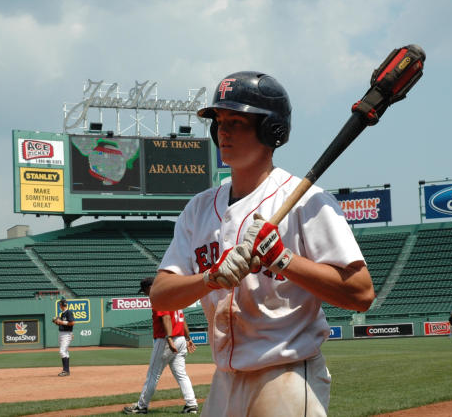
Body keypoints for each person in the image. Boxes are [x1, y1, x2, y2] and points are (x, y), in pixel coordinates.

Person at [149, 71, 375, 416]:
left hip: (286, 375)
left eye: (236, 121)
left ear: (272, 130)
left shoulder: (307, 202)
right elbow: (161, 294)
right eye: (220, 121)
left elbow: (360, 294)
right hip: (224, 379)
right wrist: (210, 277)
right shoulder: (198, 209)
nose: (223, 131)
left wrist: (282, 259)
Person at [124, 277, 199, 414]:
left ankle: (141, 406)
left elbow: (165, 318)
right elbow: (182, 320)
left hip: (166, 340)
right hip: (181, 338)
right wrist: (188, 338)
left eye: (145, 291)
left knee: (153, 375)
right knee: (181, 374)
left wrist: (169, 338)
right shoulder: (174, 297)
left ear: (150, 287)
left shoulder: (159, 298)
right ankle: (191, 404)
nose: (146, 294)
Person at [52, 297, 75, 376]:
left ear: (61, 305)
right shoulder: (62, 314)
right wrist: (57, 322)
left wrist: (61, 322)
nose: (60, 306)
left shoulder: (68, 312)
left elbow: (72, 323)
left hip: (66, 334)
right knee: (65, 352)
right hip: (62, 333)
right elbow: (63, 324)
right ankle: (67, 371)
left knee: (62, 351)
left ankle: (65, 371)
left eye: (60, 304)